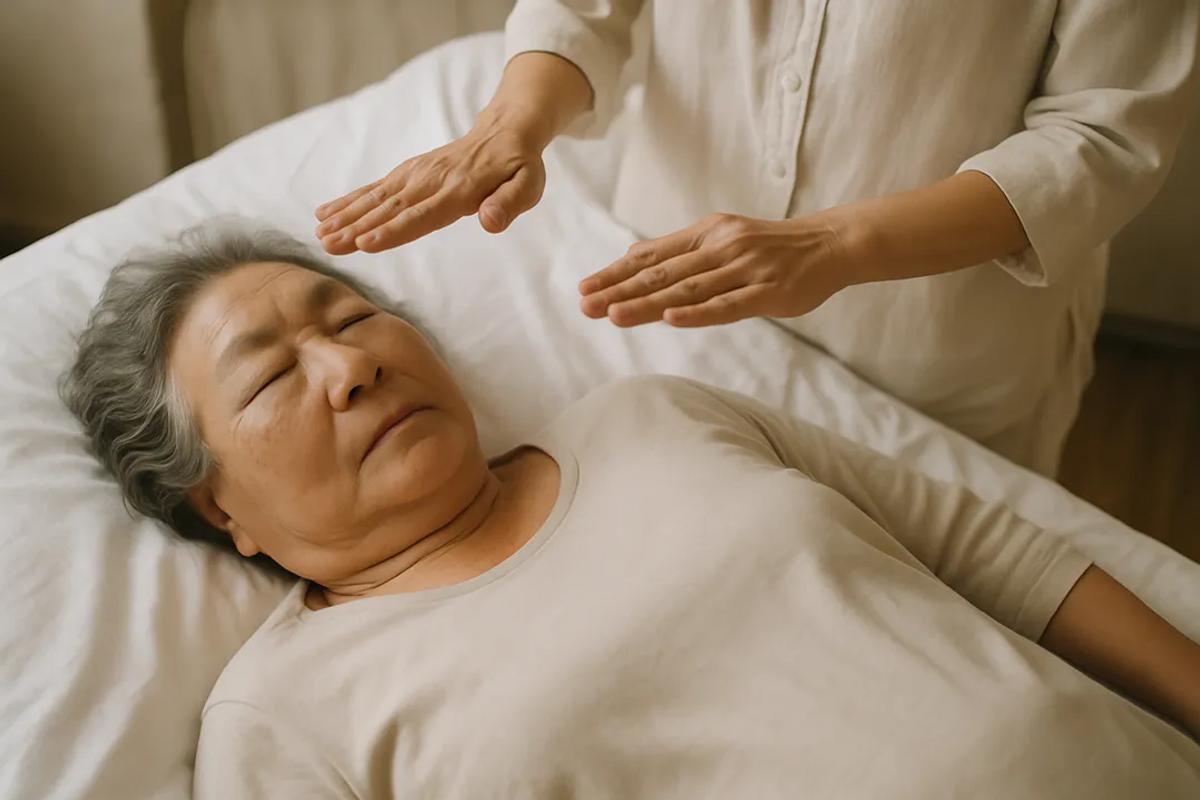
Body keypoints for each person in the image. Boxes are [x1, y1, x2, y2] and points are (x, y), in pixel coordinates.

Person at [62, 224, 1200, 797]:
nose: (349, 365)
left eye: (353, 317)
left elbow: (988, 552)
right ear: (218, 504)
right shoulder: (286, 714)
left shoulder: (652, 415)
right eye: (271, 375)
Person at [313, 0, 1200, 478]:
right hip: (672, 288)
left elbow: (1100, 138)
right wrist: (511, 122)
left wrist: (835, 245)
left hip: (933, 346)